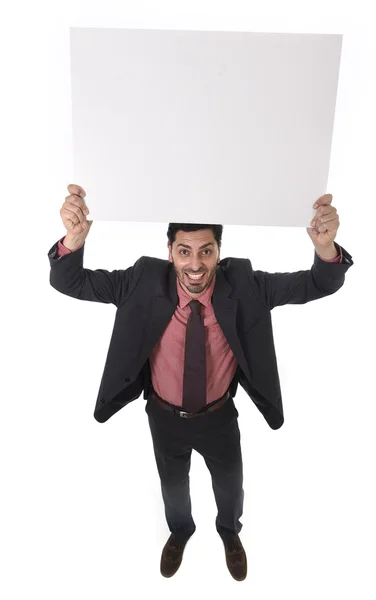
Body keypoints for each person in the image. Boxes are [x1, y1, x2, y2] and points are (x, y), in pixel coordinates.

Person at [48, 184, 354, 581]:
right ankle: (180, 532)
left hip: (218, 417)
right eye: (184, 251)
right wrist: (74, 239)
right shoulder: (140, 281)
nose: (195, 264)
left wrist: (326, 249)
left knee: (230, 485)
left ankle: (230, 533)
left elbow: (320, 283)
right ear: (170, 251)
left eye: (206, 251)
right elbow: (68, 282)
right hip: (163, 416)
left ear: (219, 251)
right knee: (172, 485)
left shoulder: (247, 285)